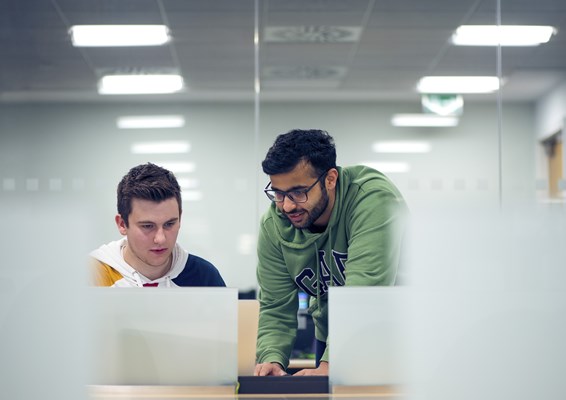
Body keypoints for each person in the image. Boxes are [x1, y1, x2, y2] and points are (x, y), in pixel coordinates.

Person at [254, 129, 408, 376]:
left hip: (393, 337)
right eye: (278, 193)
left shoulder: (372, 199)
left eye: (298, 192)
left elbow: (363, 293)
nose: (287, 205)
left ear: (330, 179)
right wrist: (272, 357)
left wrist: (332, 364)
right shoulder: (274, 225)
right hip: (331, 339)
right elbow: (275, 306)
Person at [90, 162, 226, 287]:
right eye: (147, 226)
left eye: (169, 224)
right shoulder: (93, 276)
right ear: (122, 224)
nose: (160, 239)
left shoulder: (204, 277)